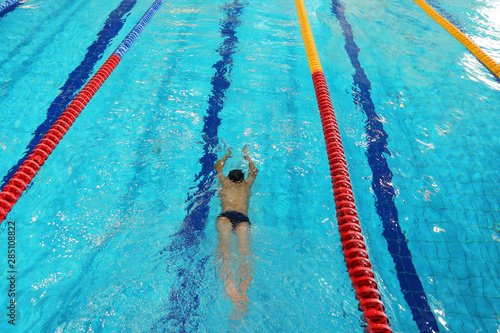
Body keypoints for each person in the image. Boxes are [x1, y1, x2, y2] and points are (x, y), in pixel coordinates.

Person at [214, 145, 258, 317]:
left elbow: (218, 167)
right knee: (245, 253)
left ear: (230, 179)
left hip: (225, 217)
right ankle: (243, 292)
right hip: (242, 220)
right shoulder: (247, 186)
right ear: (241, 179)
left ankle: (229, 287)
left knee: (224, 251)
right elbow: (254, 170)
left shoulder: (224, 183)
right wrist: (247, 157)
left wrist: (226, 155)